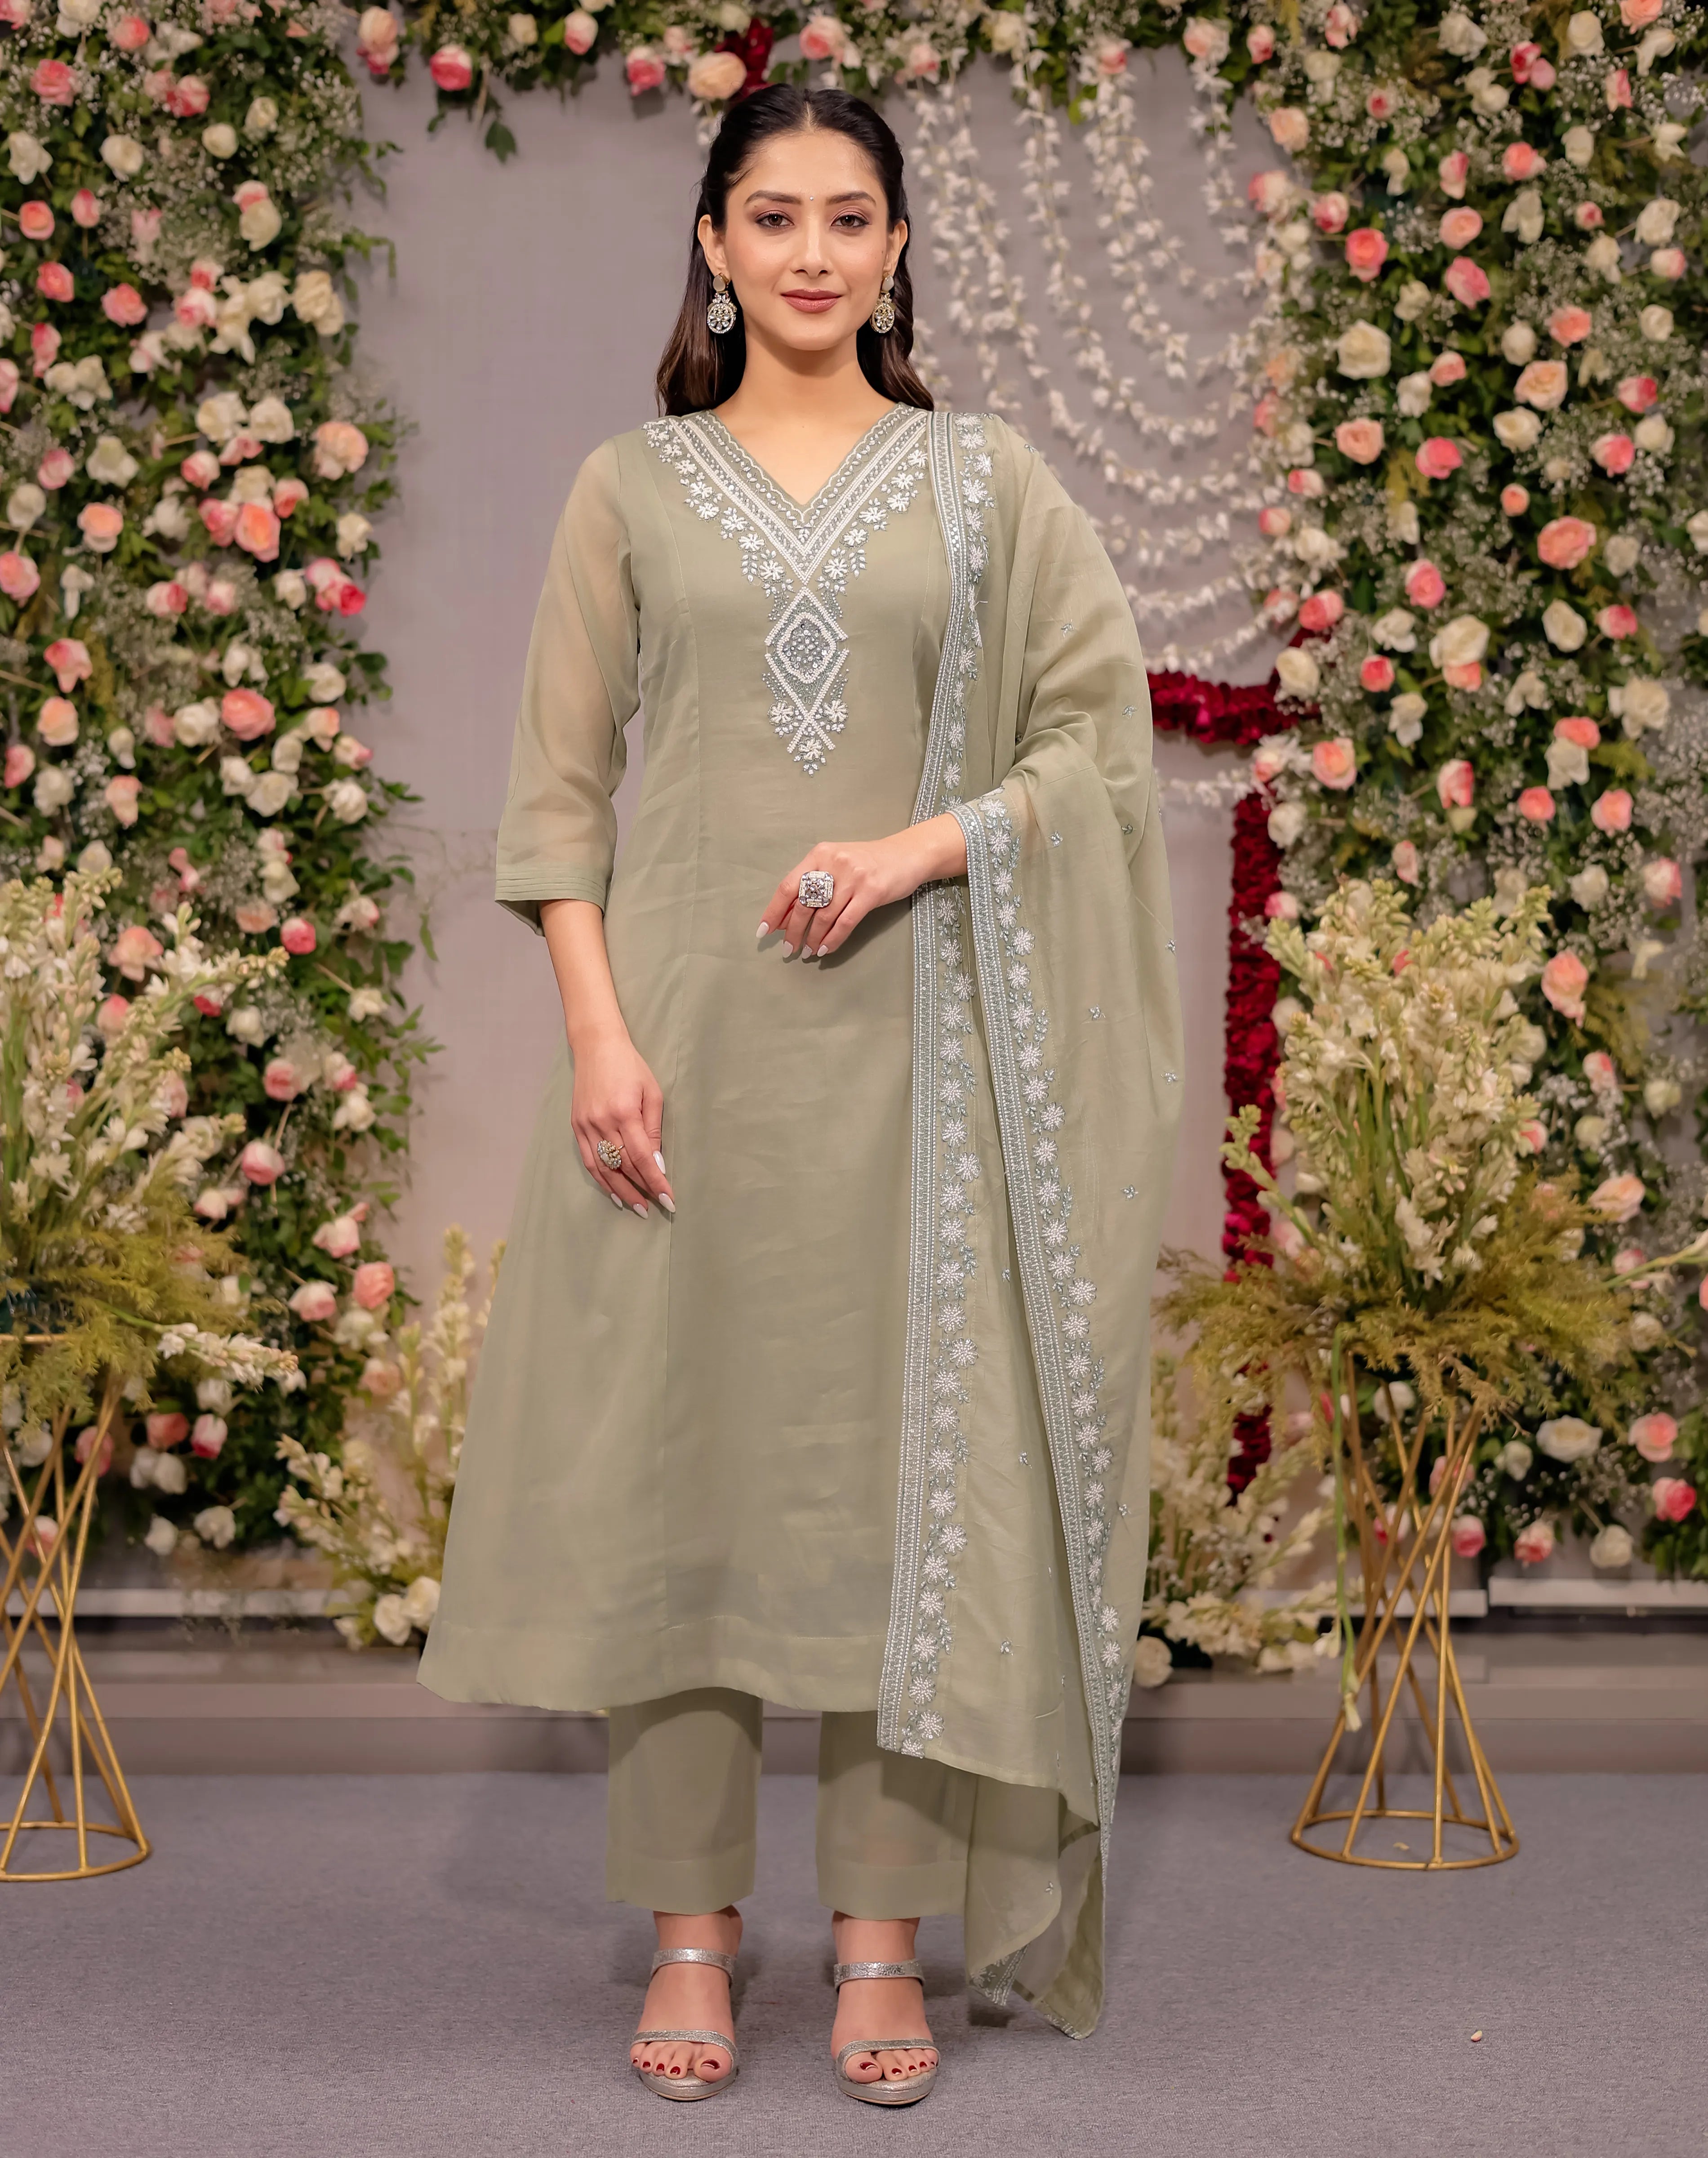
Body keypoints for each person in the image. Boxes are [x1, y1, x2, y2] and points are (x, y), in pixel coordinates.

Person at [418, 82, 1182, 2107]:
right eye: (774, 218)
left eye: (853, 217)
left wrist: (921, 850)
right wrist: (595, 1033)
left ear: (902, 245)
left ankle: (872, 1944)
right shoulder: (631, 487)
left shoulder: (985, 487)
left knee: (896, 1493)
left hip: (922, 1069)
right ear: (714, 243)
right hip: (684, 1054)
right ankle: (689, 1933)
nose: (816, 253)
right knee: (685, 1486)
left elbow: (1096, 756)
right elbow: (555, 799)